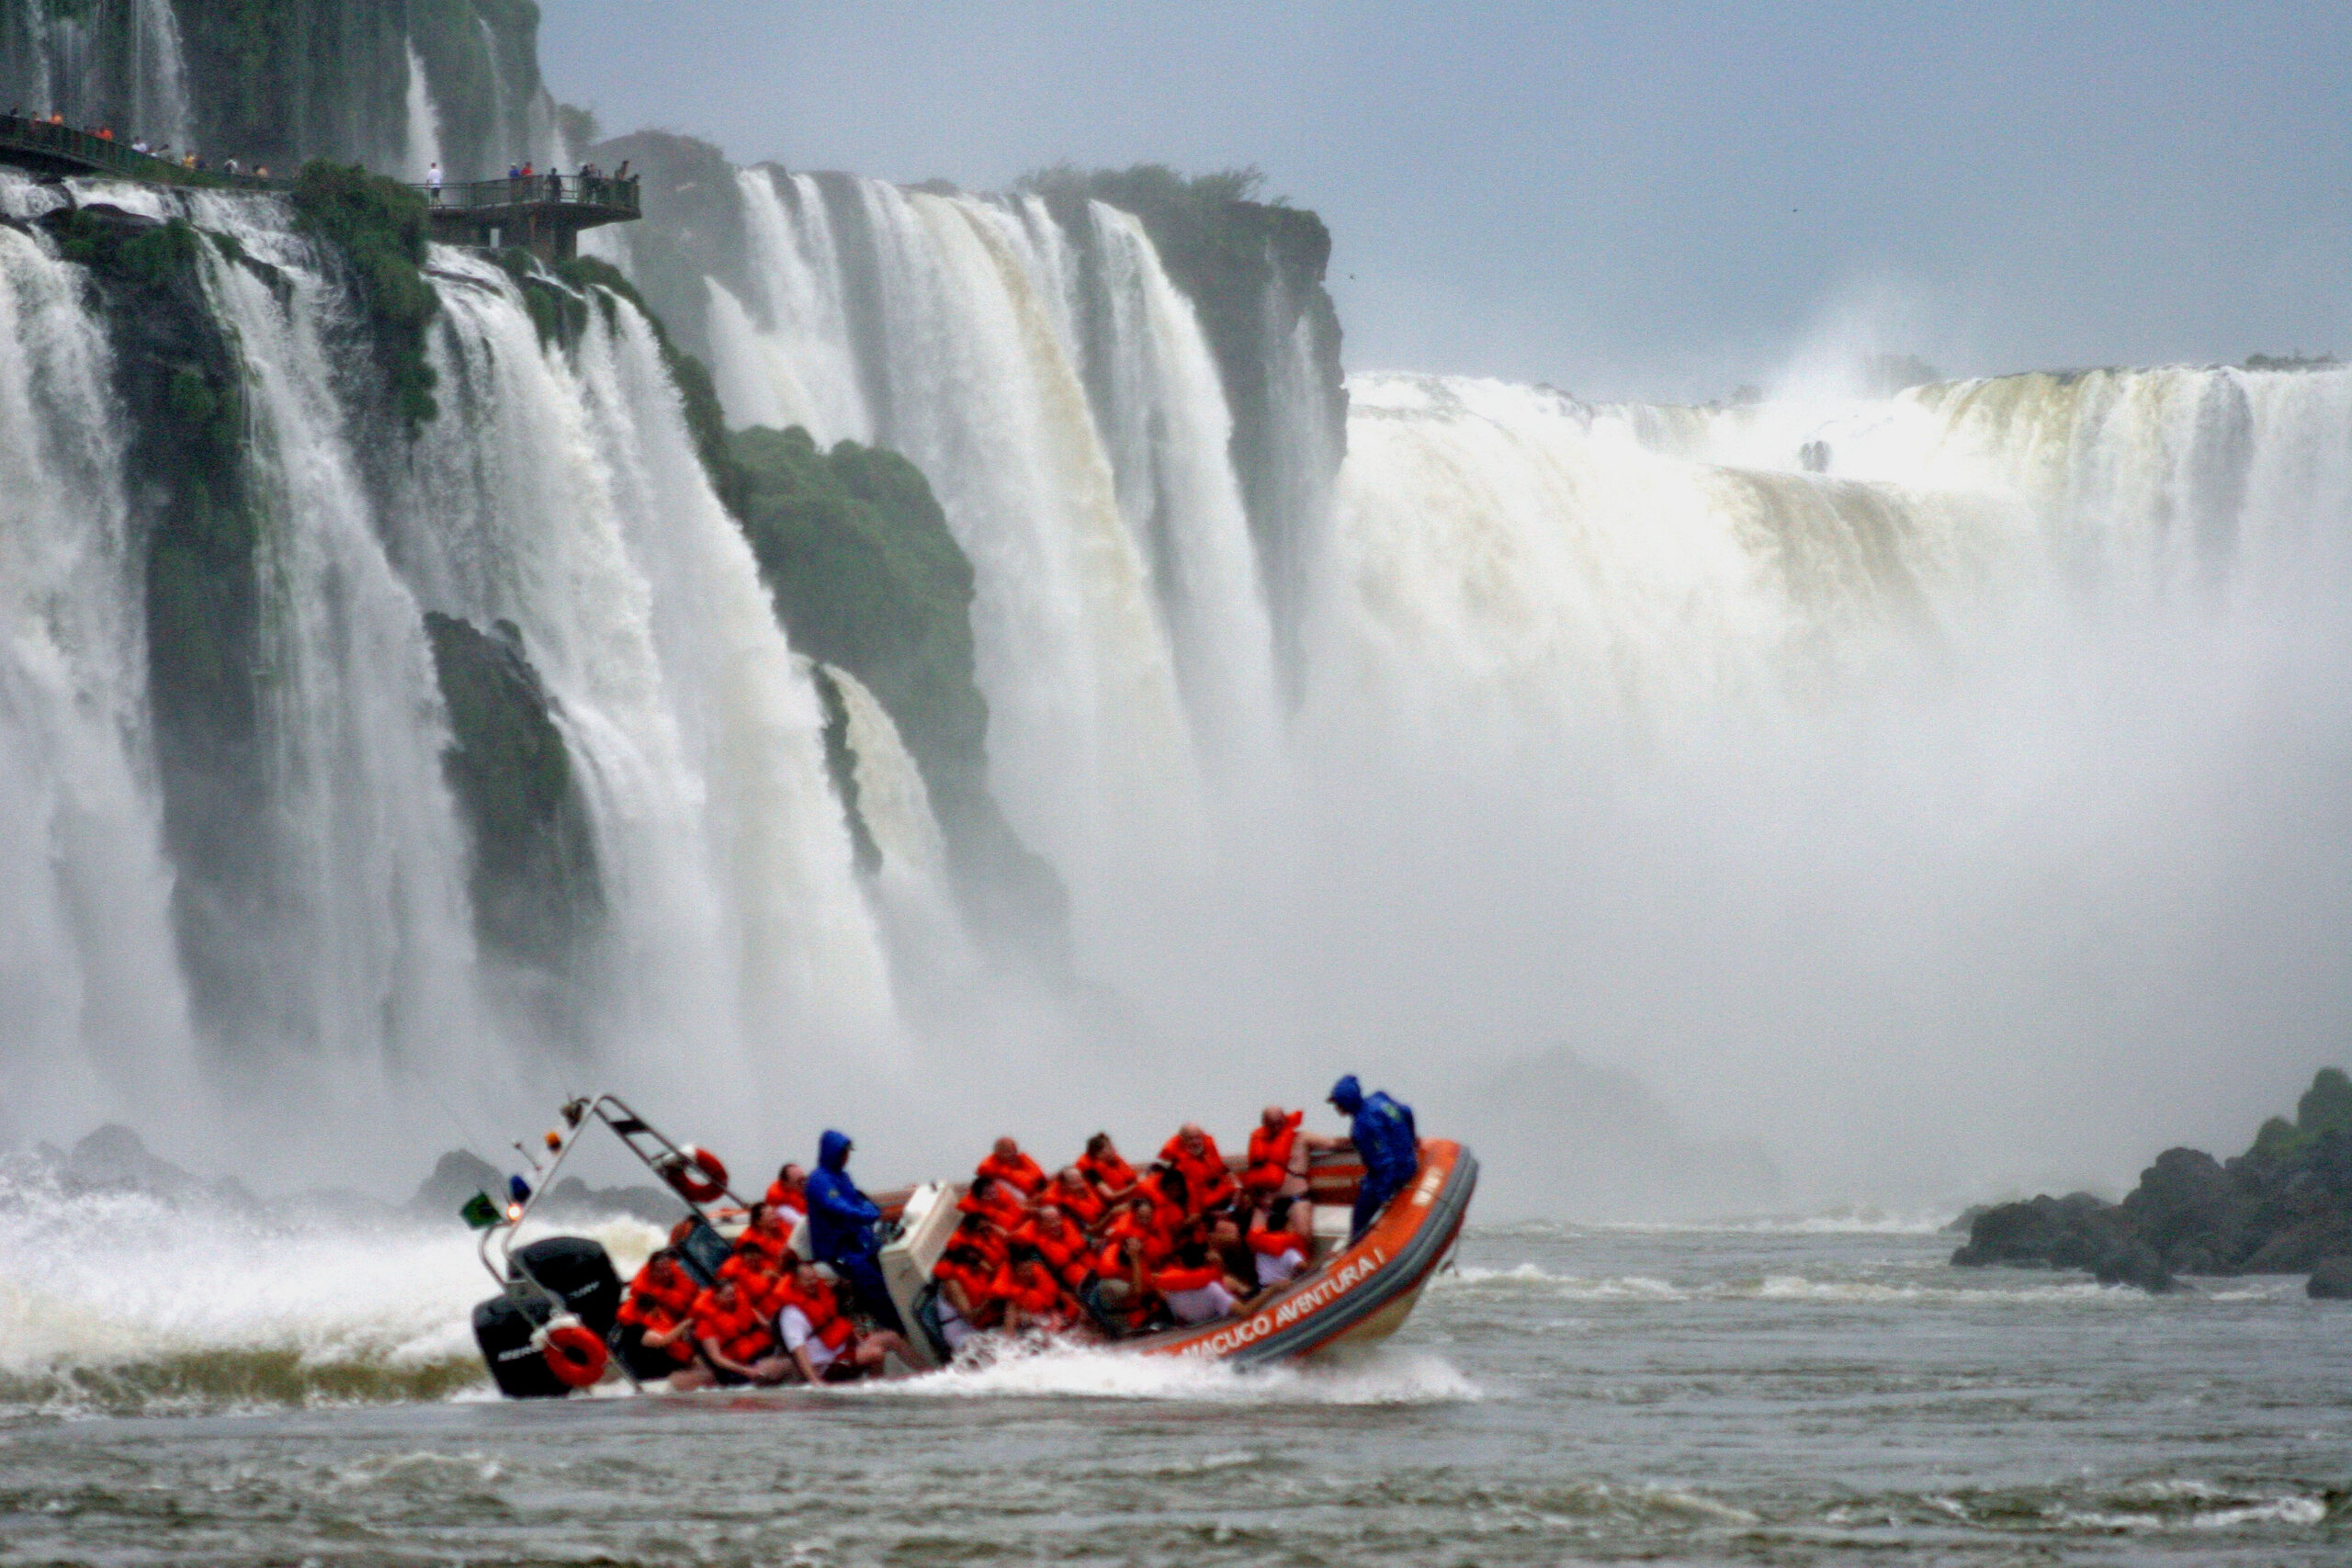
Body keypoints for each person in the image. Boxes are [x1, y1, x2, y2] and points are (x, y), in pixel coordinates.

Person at [803, 1128, 906, 1333]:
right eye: (844, 1153)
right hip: (837, 1248)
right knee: (872, 1282)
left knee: (893, 1265)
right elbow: (838, 1207)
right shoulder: (819, 1180)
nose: (847, 1157)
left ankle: (906, 1316)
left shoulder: (843, 1177)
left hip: (858, 1239)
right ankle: (896, 1328)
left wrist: (870, 1209)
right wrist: (866, 1214)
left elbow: (858, 1200)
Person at [1312, 1075, 1419, 1242]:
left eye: (1337, 1104)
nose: (1336, 1108)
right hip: (1409, 1160)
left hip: (1397, 1172)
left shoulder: (1362, 1127)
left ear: (1345, 1103)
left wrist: (1384, 1196)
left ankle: (1355, 1245)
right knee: (1367, 1181)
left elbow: (1384, 1163)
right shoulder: (1379, 1098)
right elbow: (1406, 1112)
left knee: (1360, 1215)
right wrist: (1412, 1139)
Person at [778, 1258, 912, 1382]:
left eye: (814, 1279)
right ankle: (876, 1389)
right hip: (826, 1364)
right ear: (795, 1281)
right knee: (876, 1353)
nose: (813, 1283)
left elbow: (836, 1323)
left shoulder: (819, 1296)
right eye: (808, 1281)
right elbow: (799, 1353)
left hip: (844, 1349)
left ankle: (928, 1375)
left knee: (892, 1337)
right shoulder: (791, 1315)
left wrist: (856, 1339)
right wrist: (815, 1381)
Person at [612, 1249, 702, 1382]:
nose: (666, 1274)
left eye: (667, 1269)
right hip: (656, 1350)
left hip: (678, 1322)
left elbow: (684, 1302)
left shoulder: (678, 1275)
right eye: (660, 1271)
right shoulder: (640, 1313)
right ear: (651, 1272)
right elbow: (663, 1340)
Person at [686, 1276, 792, 1386]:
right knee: (774, 1369)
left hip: (762, 1354)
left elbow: (767, 1326)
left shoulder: (743, 1305)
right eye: (728, 1296)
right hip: (739, 1367)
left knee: (786, 1362)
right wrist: (746, 1370)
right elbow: (716, 1358)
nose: (733, 1298)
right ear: (717, 1297)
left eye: (734, 1294)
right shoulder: (705, 1323)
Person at [1152, 1240, 1250, 1325]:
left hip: (1190, 1328)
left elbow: (1157, 1283)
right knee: (1230, 1282)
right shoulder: (1213, 1288)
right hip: (1215, 1324)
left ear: (1181, 1261)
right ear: (1205, 1260)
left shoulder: (1170, 1291)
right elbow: (1245, 1312)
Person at [1012, 1201, 1093, 1293]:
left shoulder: (1071, 1225)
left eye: (1058, 1219)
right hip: (1083, 1286)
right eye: (1050, 1222)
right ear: (1041, 1225)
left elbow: (1089, 1241)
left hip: (1096, 1267)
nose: (1056, 1224)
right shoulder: (1037, 1250)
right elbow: (1051, 1278)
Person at [1159, 1123, 1237, 1214]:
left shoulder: (1209, 1155)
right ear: (1183, 1141)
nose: (1196, 1142)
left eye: (1198, 1138)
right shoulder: (1179, 1166)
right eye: (1191, 1139)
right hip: (1204, 1210)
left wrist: (1233, 1187)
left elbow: (1222, 1173)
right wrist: (1228, 1189)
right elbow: (1193, 1197)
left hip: (1222, 1200)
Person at [1246, 1198, 1310, 1291]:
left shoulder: (1259, 1248)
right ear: (1286, 1227)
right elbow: (1304, 1268)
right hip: (1280, 1292)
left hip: (1263, 1290)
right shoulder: (1290, 1252)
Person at [1076, 1133, 1138, 1202]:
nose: (1114, 1150)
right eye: (1110, 1147)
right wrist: (1136, 1185)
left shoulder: (1114, 1163)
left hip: (1127, 1199)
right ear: (1099, 1153)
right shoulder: (1092, 1172)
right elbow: (1110, 1196)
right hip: (1109, 1207)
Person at [976, 1136, 1046, 1197]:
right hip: (1013, 1198)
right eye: (1007, 1151)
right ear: (997, 1152)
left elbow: (1040, 1178)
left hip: (1033, 1193)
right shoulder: (989, 1167)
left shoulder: (1023, 1160)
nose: (1012, 1154)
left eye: (1014, 1150)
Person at [958, 1171, 1027, 1231]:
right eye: (987, 1191)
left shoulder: (1006, 1195)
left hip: (1025, 1223)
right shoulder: (983, 1215)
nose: (991, 1191)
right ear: (982, 1197)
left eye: (991, 1187)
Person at [1048, 1166, 1106, 1231]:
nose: (1081, 1186)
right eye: (1074, 1183)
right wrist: (1111, 1215)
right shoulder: (1063, 1206)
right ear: (1064, 1185)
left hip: (1105, 1223)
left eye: (1081, 1181)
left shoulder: (1090, 1189)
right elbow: (1087, 1230)